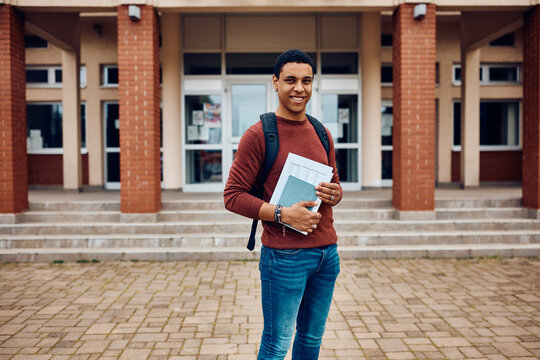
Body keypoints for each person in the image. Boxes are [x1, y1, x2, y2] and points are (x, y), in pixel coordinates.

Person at [223, 49, 342, 360]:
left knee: (311, 340)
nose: (299, 88)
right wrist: (282, 214)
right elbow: (233, 195)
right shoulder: (260, 134)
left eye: (306, 81)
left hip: (327, 255)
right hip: (284, 258)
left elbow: (336, 185)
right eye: (290, 80)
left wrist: (335, 194)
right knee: (277, 346)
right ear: (275, 83)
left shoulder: (322, 132)